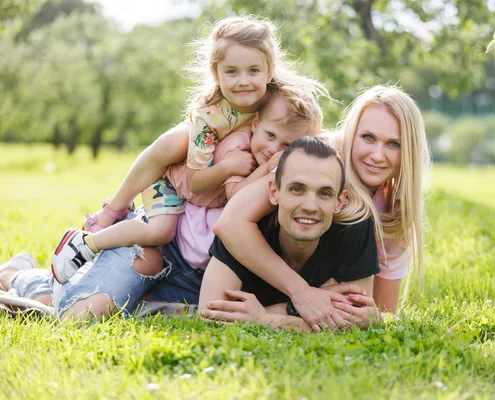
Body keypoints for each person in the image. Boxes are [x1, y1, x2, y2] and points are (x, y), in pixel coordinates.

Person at [50, 15, 325, 284]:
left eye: (254, 71)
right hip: (176, 184)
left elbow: (307, 119)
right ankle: (89, 239)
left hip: (214, 195)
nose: (244, 81)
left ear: (270, 68)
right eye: (232, 71)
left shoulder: (275, 98)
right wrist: (229, 167)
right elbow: (195, 183)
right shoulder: (209, 121)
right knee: (160, 230)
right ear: (215, 73)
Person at [211, 84, 431, 331]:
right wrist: (301, 292)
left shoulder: (392, 210)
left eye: (394, 144)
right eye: (368, 137)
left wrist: (281, 312)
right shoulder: (315, 162)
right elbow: (230, 223)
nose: (377, 155)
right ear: (351, 135)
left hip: (283, 296)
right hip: (219, 264)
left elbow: (380, 312)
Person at [198, 136, 379, 331]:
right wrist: (304, 303)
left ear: (339, 201)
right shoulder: (243, 232)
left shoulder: (354, 227)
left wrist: (268, 317)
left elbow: (356, 322)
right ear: (274, 191)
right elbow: (210, 318)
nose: (310, 206)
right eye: (297, 189)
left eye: (324, 193)